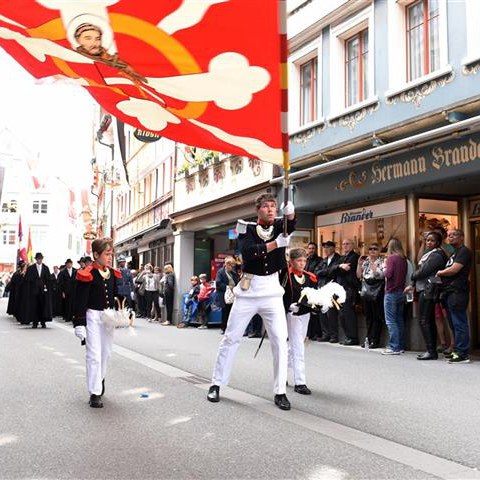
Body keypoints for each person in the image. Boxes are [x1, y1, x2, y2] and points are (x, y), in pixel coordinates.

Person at [207, 193, 295, 411]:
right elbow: (248, 253)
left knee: (280, 342)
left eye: (274, 206)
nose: (271, 209)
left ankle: (280, 391)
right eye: (266, 206)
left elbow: (292, 223)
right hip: (248, 290)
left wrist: (290, 212)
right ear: (258, 209)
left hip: (272, 291)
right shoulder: (245, 228)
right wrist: (276, 244)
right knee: (231, 338)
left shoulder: (280, 226)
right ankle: (216, 383)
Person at [73, 237, 121, 408]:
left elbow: (116, 296)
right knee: (94, 354)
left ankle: (99, 379)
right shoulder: (87, 273)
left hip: (107, 317)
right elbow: (80, 301)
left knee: (106, 352)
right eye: (107, 254)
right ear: (96, 254)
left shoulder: (112, 273)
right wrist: (79, 323)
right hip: (92, 316)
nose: (110, 257)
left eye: (111, 254)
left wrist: (121, 313)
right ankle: (95, 392)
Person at [281, 248, 317, 395]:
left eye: (304, 260)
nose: (302, 263)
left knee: (297, 345)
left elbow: (314, 295)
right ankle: (300, 381)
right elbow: (280, 295)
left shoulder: (310, 277)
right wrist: (288, 305)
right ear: (291, 261)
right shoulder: (286, 276)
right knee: (297, 347)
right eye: (299, 261)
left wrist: (319, 305)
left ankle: (281, 372)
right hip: (292, 314)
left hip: (305, 313)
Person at [406, 232, 447, 360]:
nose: (429, 243)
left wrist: (413, 276)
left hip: (428, 290)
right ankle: (430, 350)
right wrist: (413, 282)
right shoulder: (428, 254)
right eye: (427, 240)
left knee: (425, 320)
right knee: (427, 320)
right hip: (423, 289)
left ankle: (431, 351)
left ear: (438, 242)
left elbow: (424, 271)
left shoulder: (437, 255)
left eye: (432, 241)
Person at [436, 229, 472, 364]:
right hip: (449, 292)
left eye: (454, 235)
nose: (450, 237)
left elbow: (454, 269)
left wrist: (440, 273)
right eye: (449, 235)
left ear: (462, 237)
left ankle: (463, 353)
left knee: (459, 323)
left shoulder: (464, 251)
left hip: (458, 292)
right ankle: (457, 351)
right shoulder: (454, 252)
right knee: (452, 323)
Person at [74, 23, 146, 83]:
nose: (94, 42)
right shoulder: (75, 60)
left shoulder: (111, 59)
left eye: (98, 38)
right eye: (88, 38)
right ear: (78, 40)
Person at [357, 243, 385, 349]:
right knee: (368, 317)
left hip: (377, 290)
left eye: (375, 249)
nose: (372, 251)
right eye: (370, 249)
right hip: (366, 289)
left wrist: (375, 269)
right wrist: (359, 265)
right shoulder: (366, 262)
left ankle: (375, 340)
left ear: (379, 250)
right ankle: (368, 339)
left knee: (377, 316)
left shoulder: (382, 261)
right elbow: (359, 276)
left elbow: (382, 275)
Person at [382, 238, 407, 355]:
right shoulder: (403, 259)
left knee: (391, 321)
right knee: (399, 320)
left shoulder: (391, 258)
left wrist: (383, 268)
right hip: (401, 292)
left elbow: (388, 274)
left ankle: (394, 346)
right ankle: (400, 345)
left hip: (391, 292)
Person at [333, 239, 360, 345]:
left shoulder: (354, 257)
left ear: (353, 245)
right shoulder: (342, 258)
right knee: (342, 315)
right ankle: (348, 336)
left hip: (349, 289)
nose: (345, 246)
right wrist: (338, 267)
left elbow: (344, 271)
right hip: (340, 289)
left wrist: (338, 268)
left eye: (347, 244)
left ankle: (353, 338)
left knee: (348, 314)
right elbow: (332, 270)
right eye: (343, 244)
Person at [314, 241, 341, 342]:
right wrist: (328, 271)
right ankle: (325, 334)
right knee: (323, 313)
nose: (326, 249)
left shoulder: (338, 259)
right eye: (324, 247)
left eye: (328, 247)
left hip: (332, 289)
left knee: (331, 314)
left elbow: (335, 272)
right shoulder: (324, 260)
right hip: (322, 288)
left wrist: (327, 271)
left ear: (333, 248)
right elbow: (317, 272)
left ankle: (334, 335)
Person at [23, 252, 52, 329]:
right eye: (38, 259)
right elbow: (27, 279)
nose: (39, 260)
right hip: (34, 291)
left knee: (43, 306)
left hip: (43, 291)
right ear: (36, 259)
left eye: (41, 259)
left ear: (42, 259)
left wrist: (47, 288)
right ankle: (35, 323)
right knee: (34, 307)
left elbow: (48, 279)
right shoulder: (31, 268)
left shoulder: (46, 268)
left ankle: (43, 322)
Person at [214, 257, 240, 334]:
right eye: (231, 266)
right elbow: (218, 283)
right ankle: (223, 328)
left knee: (232, 312)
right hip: (224, 295)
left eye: (233, 266)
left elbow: (237, 282)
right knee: (225, 312)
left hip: (233, 294)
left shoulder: (234, 273)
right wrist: (227, 287)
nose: (232, 267)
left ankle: (231, 328)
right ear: (226, 265)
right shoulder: (220, 272)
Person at [305, 242, 323, 341]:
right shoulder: (306, 260)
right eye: (310, 248)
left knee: (315, 312)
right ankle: (309, 333)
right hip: (307, 289)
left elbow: (316, 274)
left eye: (313, 248)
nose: (311, 250)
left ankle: (317, 333)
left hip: (315, 288)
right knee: (307, 311)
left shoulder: (320, 260)